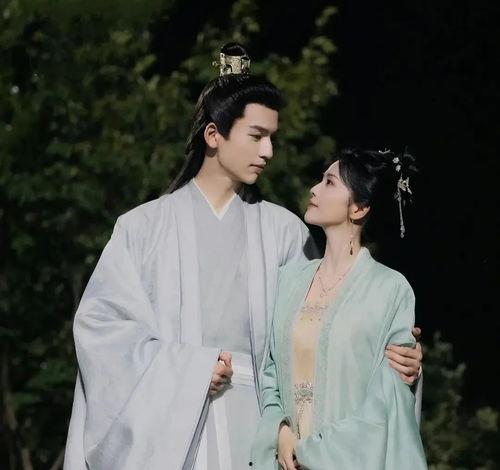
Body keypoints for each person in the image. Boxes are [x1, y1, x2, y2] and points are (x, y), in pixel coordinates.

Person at [63, 43, 422, 470]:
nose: (268, 151)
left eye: (272, 137)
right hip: (170, 433)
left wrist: (395, 351)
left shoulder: (284, 231)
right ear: (213, 135)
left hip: (260, 431)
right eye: (256, 136)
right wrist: (190, 370)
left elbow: (322, 332)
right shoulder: (142, 228)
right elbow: (102, 331)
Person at [251, 149, 427, 470]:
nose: (314, 189)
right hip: (285, 459)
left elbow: (385, 402)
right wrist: (281, 431)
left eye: (329, 183)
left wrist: (311, 451)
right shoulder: (288, 280)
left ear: (359, 208)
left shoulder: (389, 289)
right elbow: (269, 369)